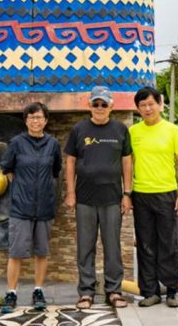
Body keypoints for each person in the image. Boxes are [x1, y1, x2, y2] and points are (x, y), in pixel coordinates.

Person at [65, 86, 134, 310]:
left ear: (111, 106)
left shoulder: (120, 130)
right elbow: (70, 162)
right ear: (90, 105)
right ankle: (86, 292)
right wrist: (71, 192)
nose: (100, 108)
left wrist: (127, 194)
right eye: (96, 104)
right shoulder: (79, 129)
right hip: (84, 198)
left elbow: (127, 162)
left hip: (113, 198)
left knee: (112, 247)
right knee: (85, 247)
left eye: (104, 104)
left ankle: (113, 290)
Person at [129, 87, 178, 308]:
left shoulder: (172, 130)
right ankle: (150, 292)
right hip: (141, 195)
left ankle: (172, 290)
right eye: (142, 105)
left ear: (159, 104)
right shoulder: (133, 132)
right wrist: (127, 193)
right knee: (146, 244)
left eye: (150, 104)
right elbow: (127, 164)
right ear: (138, 108)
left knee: (169, 244)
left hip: (166, 194)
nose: (147, 108)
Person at [0, 102, 62, 315]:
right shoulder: (16, 143)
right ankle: (11, 293)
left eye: (40, 117)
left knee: (41, 252)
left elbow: (55, 170)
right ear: (26, 120)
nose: (36, 121)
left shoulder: (53, 144)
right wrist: (21, 189)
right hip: (20, 208)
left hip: (45, 207)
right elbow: (7, 168)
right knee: (16, 253)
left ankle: (38, 291)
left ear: (46, 120)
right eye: (32, 117)